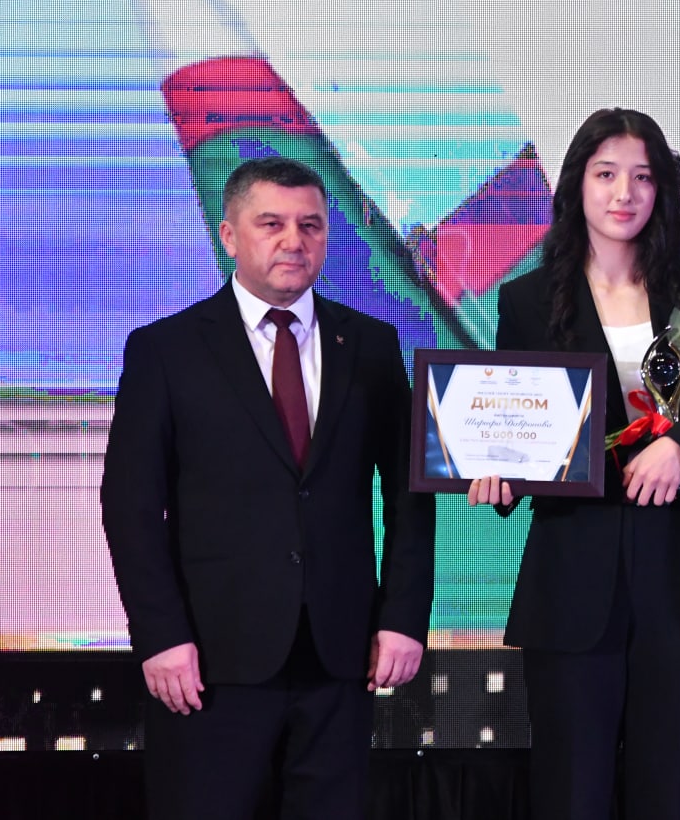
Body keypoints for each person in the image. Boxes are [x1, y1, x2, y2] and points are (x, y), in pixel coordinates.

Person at [101, 155, 435, 819]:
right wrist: (160, 633)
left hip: (341, 656)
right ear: (229, 235)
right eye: (271, 223)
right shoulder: (165, 350)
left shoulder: (371, 345)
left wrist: (402, 617)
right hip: (208, 659)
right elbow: (129, 506)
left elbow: (409, 495)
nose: (293, 241)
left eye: (310, 225)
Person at [468, 107, 680, 820]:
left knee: (672, 785)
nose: (623, 193)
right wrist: (497, 476)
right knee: (570, 788)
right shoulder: (527, 301)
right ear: (577, 184)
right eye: (606, 174)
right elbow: (517, 426)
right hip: (574, 571)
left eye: (642, 177)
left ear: (662, 190)